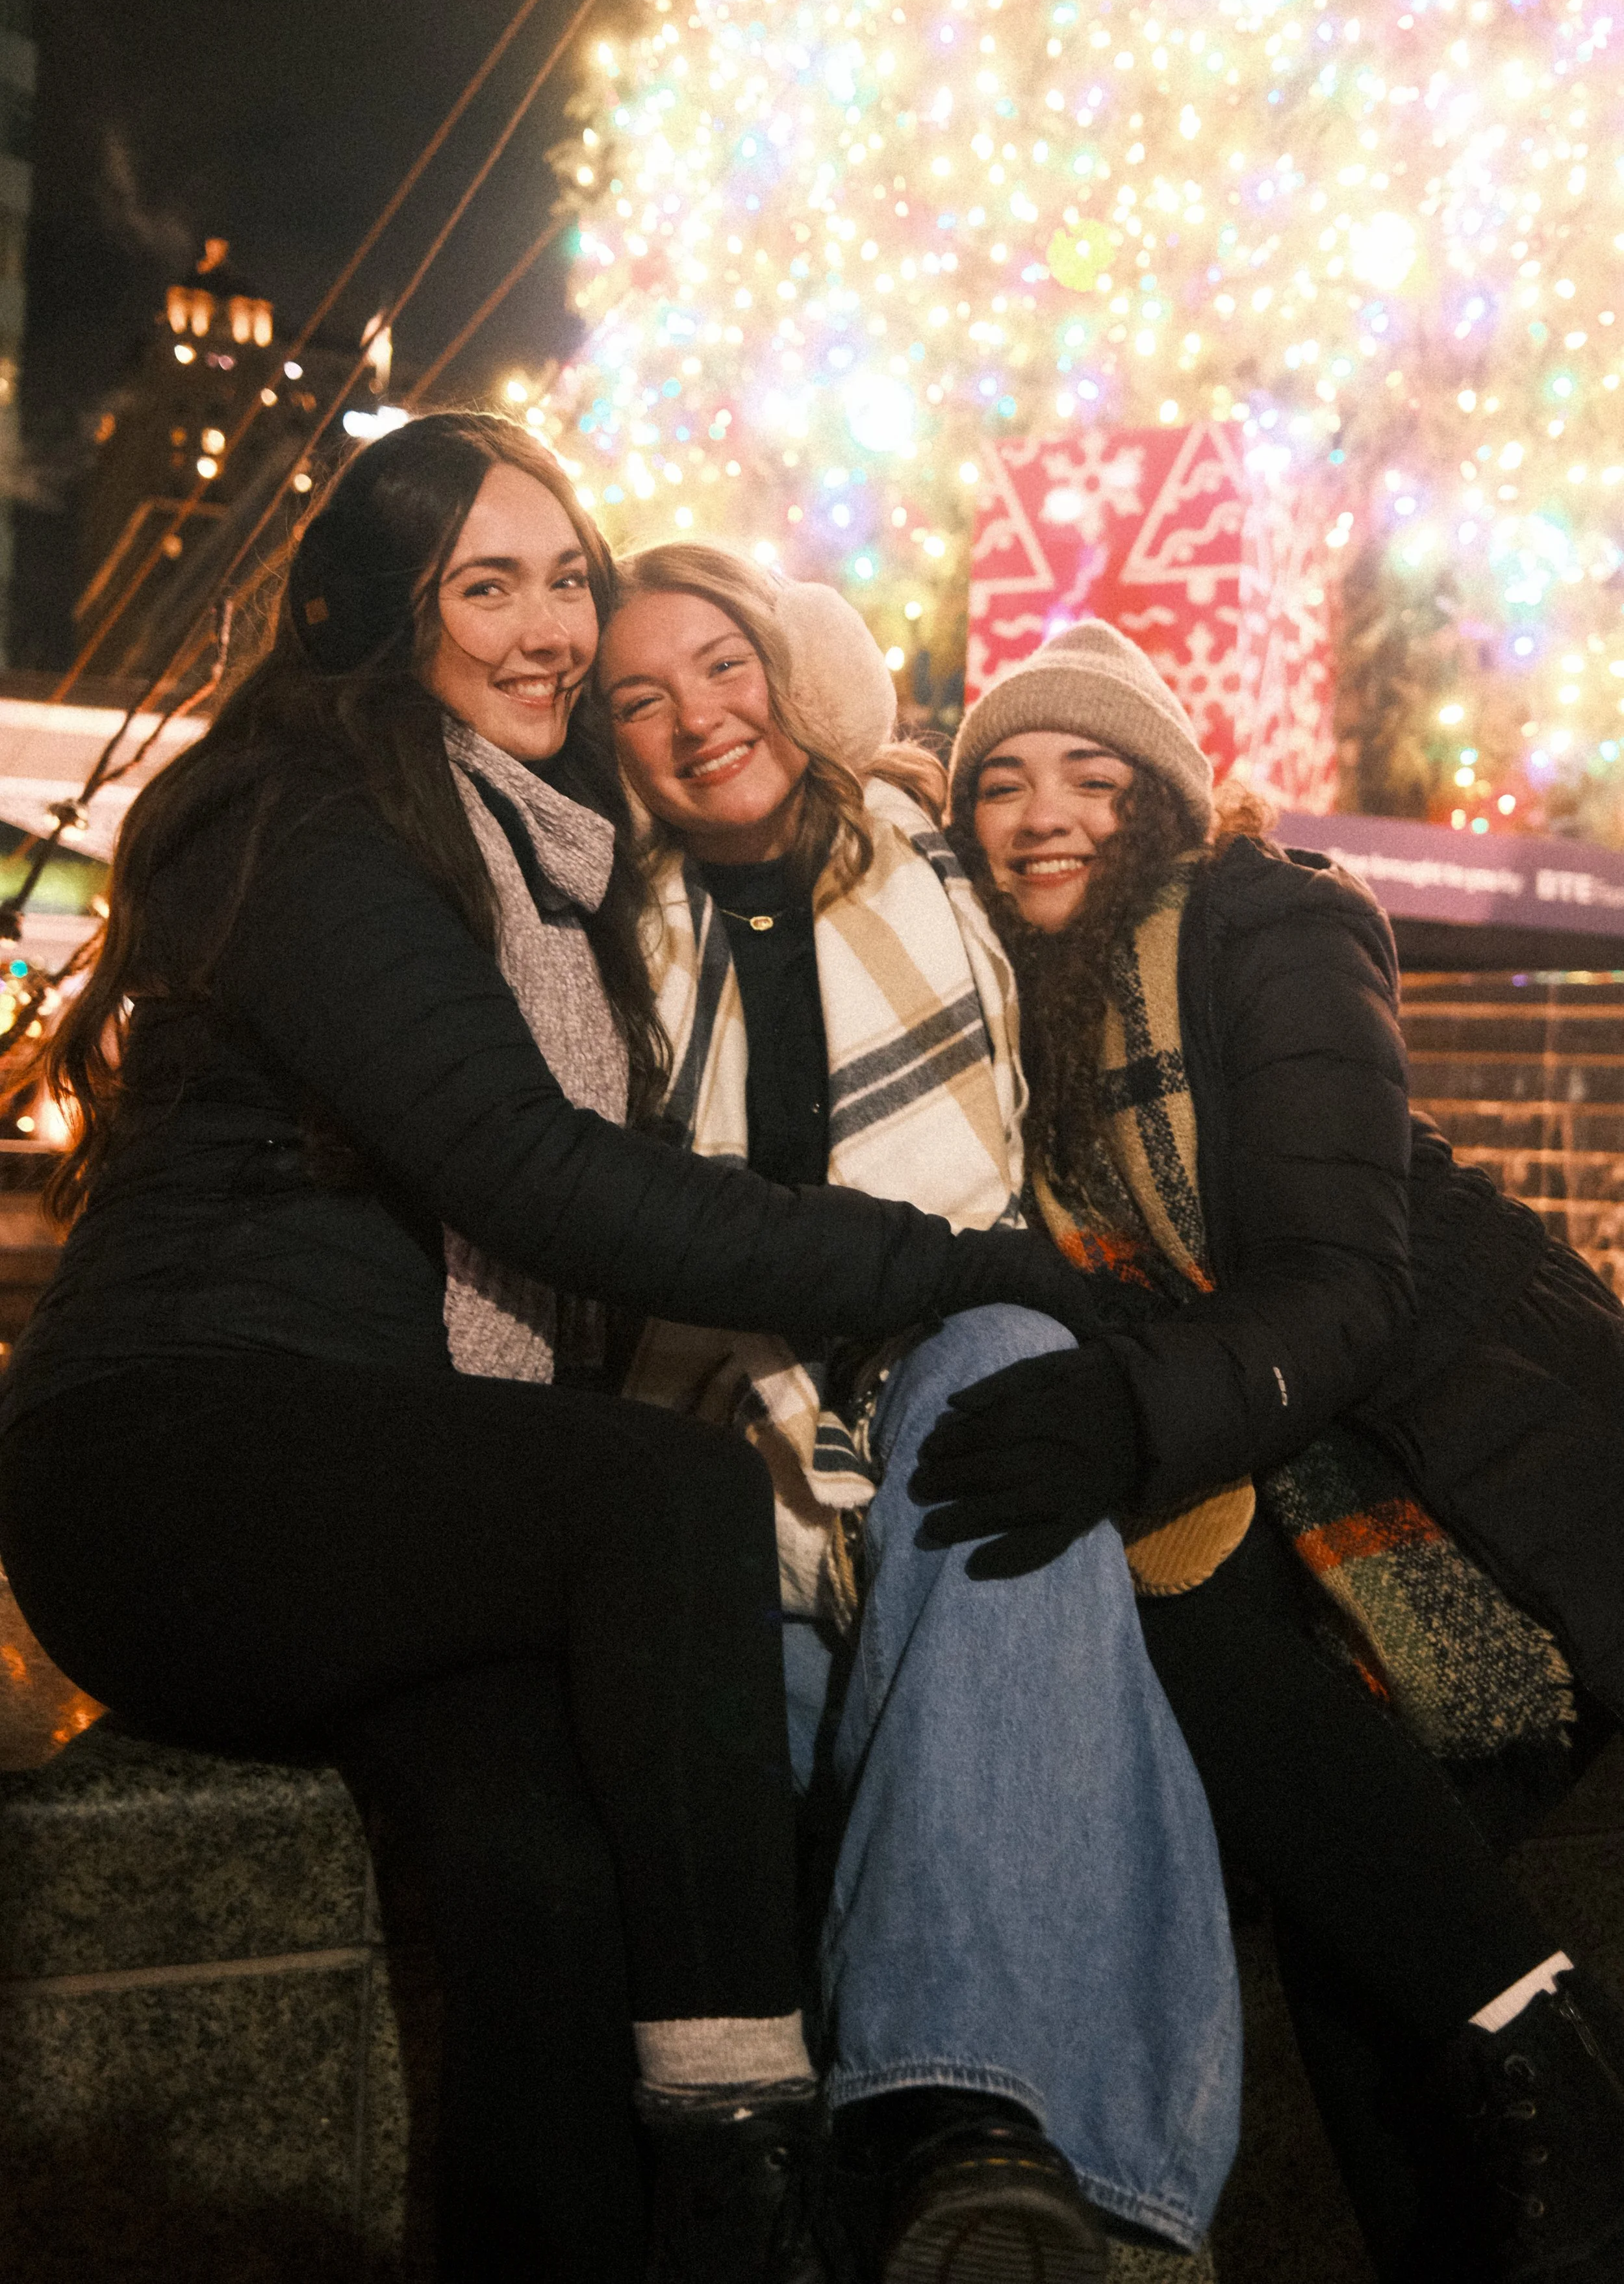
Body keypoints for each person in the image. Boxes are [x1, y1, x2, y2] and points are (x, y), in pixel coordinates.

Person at [0, 415, 1118, 2284]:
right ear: (377, 613)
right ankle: (744, 2154)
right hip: (175, 1465)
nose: (545, 626)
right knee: (665, 1495)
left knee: (546, 1867)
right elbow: (541, 1175)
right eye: (483, 582)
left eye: (564, 577)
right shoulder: (309, 822)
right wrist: (936, 1262)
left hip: (376, 1486)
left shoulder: (535, 857)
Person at [932, 620, 1624, 2284]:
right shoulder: (1006, 1014)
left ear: (1163, 807)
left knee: (1341, 1872)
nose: (1041, 815)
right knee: (1326, 1873)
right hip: (1283, 1462)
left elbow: (1340, 1287)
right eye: (1001, 785)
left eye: (1091, 779)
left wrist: (1122, 1414)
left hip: (1479, 1466)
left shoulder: (1269, 925)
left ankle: (1561, 2088)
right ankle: (1557, 2118)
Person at [597, 541, 1243, 2284]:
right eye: (636, 697)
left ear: (790, 672)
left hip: (966, 1327)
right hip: (737, 1412)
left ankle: (960, 2128)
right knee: (933, 1692)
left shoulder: (929, 852)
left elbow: (1118, 894)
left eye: (720, 665)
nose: (692, 717)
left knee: (1004, 1423)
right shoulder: (600, 935)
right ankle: (1064, 2183)